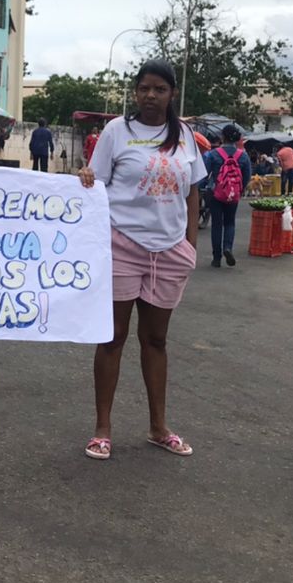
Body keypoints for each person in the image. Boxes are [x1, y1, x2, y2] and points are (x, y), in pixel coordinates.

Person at [78, 58, 205, 461]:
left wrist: (189, 245)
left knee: (156, 340)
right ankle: (102, 428)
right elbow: (95, 184)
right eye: (144, 88)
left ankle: (158, 427)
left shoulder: (184, 135)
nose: (151, 96)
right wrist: (83, 179)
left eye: (160, 89)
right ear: (135, 92)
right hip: (122, 246)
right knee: (112, 339)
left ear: (172, 94)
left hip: (168, 252)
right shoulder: (118, 132)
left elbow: (193, 192)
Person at [203, 123, 252, 267]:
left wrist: (201, 188)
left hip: (215, 193)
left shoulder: (212, 154)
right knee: (230, 222)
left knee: (217, 224)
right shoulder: (243, 156)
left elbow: (204, 174)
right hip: (233, 194)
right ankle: (228, 248)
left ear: (222, 137)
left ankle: (216, 258)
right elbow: (247, 176)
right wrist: (238, 189)